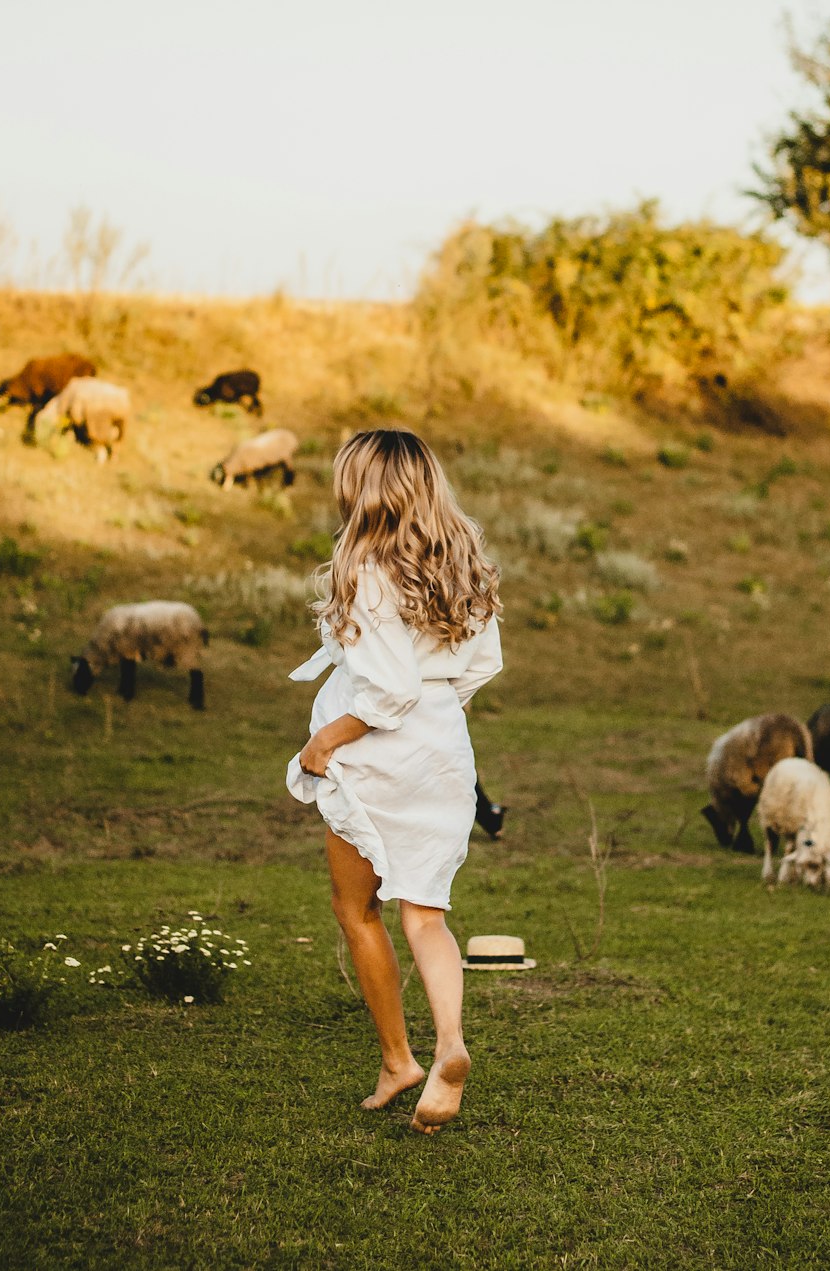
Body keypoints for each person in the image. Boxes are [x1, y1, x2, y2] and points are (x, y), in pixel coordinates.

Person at [286, 429, 502, 1134]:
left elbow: (387, 692)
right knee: (426, 915)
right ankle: (449, 1045)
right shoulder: (464, 560)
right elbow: (478, 668)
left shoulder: (368, 568)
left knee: (358, 910)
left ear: (363, 489)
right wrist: (441, 720)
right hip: (443, 752)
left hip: (376, 756)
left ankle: (398, 1058)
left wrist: (323, 741)